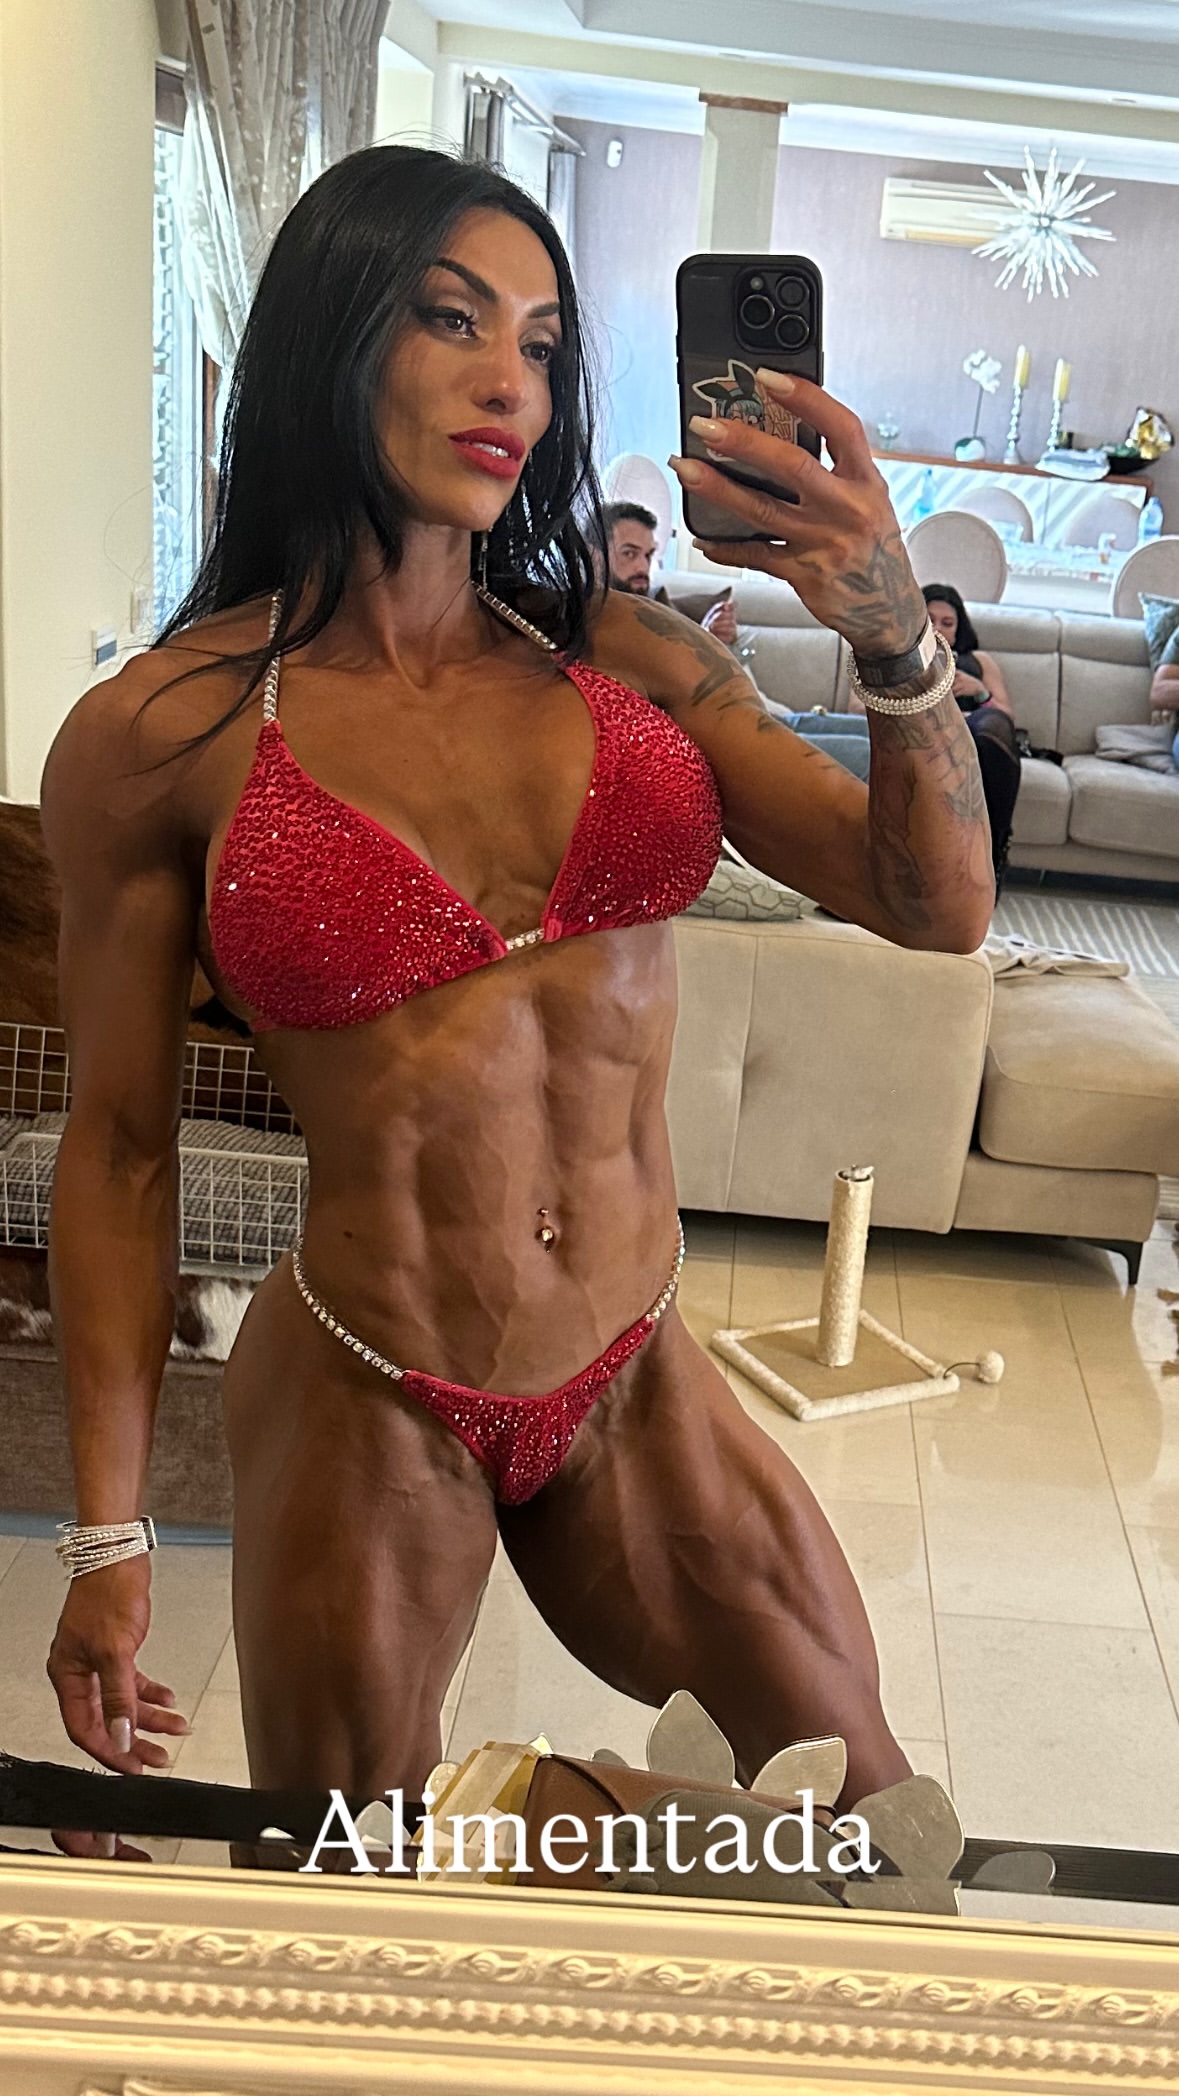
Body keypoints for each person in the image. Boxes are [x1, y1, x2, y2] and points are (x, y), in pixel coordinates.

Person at [41, 146, 992, 1847]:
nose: (512, 385)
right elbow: (116, 1152)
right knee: (353, 1871)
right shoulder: (165, 732)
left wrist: (888, 641)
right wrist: (107, 1541)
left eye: (543, 345)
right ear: (332, 339)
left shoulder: (623, 658)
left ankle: (566, 1828)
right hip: (369, 1380)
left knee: (869, 1830)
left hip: (631, 1369)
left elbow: (935, 907)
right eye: (451, 321)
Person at [921, 582, 1021, 886]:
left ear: (958, 629)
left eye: (947, 623)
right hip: (927, 732)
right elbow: (856, 708)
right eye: (929, 620)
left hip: (978, 732)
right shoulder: (894, 656)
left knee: (990, 730)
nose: (937, 629)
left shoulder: (980, 661)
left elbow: (1006, 716)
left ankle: (994, 850)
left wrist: (980, 692)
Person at [600, 500, 739, 644]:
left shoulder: (659, 612)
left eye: (648, 555)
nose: (643, 567)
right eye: (629, 553)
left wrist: (713, 641)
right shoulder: (588, 618)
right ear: (596, 556)